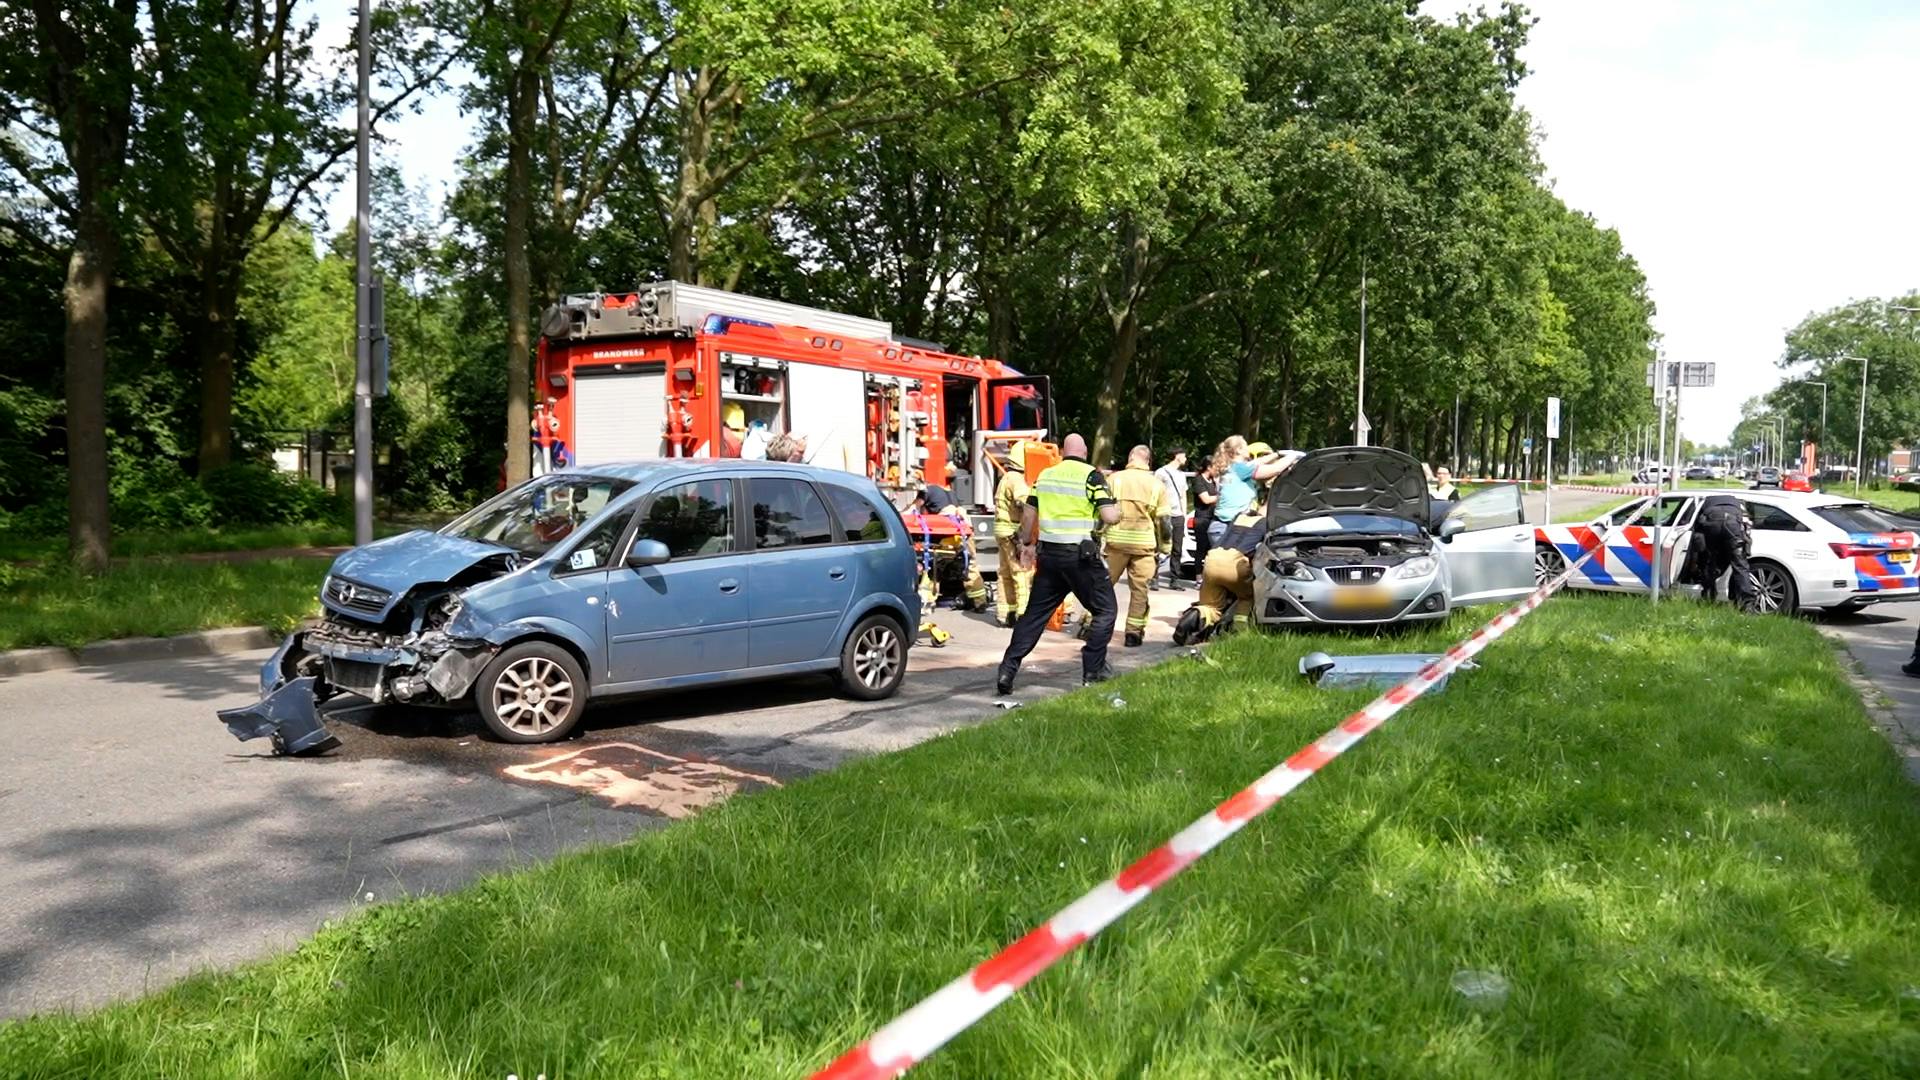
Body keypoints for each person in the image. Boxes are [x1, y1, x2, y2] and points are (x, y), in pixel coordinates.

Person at [996, 433, 1120, 695]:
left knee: (1033, 617)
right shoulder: (1091, 476)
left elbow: (1029, 514)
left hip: (1049, 558)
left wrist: (1027, 545)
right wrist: (1116, 511)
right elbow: (1109, 515)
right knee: (1105, 611)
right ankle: (1093, 670)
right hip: (1081, 558)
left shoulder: (1045, 476)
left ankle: (1007, 669)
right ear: (1085, 452)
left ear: (1063, 451)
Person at [1173, 502, 1269, 645]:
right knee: (1247, 597)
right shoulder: (1265, 524)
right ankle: (1239, 634)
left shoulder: (1239, 517)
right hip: (1235, 561)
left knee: (1211, 606)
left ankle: (1195, 616)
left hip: (1213, 558)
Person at [1103, 445, 1168, 647]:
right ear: (1148, 460)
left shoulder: (1113, 479)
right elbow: (1164, 522)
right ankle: (1133, 634)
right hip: (1144, 546)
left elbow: (1101, 510)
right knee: (1140, 591)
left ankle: (1090, 626)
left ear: (1131, 457)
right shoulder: (1157, 485)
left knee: (1102, 587)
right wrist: (1166, 546)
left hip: (1116, 543)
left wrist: (1097, 536)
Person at [1209, 437, 1295, 544]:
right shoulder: (1241, 469)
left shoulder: (1232, 466)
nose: (1248, 449)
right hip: (1228, 528)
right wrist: (1293, 456)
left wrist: (1278, 454)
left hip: (1220, 526)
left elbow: (1257, 462)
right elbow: (1275, 469)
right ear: (1239, 450)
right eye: (1245, 446)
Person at [992, 441, 1034, 628]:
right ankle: (1023, 614)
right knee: (1022, 573)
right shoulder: (1017, 479)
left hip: (1002, 530)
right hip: (1012, 532)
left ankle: (1005, 613)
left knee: (1005, 573)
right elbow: (1024, 504)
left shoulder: (1005, 477)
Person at [1693, 494, 1756, 608]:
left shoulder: (1706, 501)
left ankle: (1708, 597)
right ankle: (1747, 604)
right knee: (1740, 566)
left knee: (1709, 561)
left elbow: (1697, 528)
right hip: (1733, 526)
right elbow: (1746, 522)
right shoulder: (1738, 504)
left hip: (1712, 524)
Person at [1152, 447, 1189, 589]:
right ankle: (1153, 577)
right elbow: (1155, 492)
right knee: (1158, 546)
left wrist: (1183, 514)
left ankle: (1175, 579)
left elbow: (1183, 496)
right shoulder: (1161, 472)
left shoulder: (1182, 475)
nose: (1186, 458)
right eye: (1184, 455)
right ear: (1177, 456)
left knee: (1177, 549)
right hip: (1164, 513)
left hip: (1177, 514)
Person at [1190, 459, 1220, 576]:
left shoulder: (1212, 481)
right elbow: (1206, 499)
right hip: (1202, 519)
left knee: (1211, 549)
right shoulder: (1198, 481)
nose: (1217, 470)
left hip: (1212, 517)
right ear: (1208, 467)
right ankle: (1198, 576)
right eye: (1215, 467)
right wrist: (1222, 496)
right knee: (1201, 548)